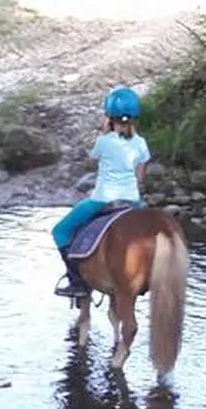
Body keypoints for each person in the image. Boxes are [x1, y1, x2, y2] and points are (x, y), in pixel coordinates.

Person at [51, 85, 151, 298]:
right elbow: (140, 177)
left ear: (109, 117)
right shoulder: (141, 144)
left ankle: (77, 282)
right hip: (132, 202)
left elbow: (92, 159)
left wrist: (102, 131)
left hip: (102, 200)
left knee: (59, 231)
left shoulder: (104, 142)